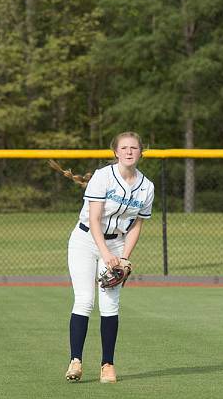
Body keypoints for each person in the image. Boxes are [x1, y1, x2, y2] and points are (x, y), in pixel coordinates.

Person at [51, 132, 154, 384]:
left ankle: (107, 365)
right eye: (124, 148)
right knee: (85, 300)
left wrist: (123, 259)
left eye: (134, 148)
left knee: (110, 305)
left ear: (141, 152)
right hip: (85, 240)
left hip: (118, 243)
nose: (129, 152)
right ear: (116, 152)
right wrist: (107, 254)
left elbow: (137, 225)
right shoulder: (103, 177)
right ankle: (75, 361)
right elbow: (95, 220)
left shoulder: (147, 186)